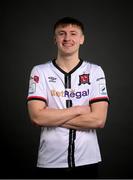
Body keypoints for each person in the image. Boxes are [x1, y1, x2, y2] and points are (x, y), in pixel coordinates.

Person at [27, 16, 109, 178]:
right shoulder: (40, 72)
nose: (67, 38)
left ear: (81, 39)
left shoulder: (95, 71)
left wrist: (52, 116)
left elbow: (98, 120)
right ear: (55, 39)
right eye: (61, 33)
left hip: (88, 161)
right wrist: (79, 110)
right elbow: (37, 117)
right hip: (50, 161)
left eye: (73, 33)